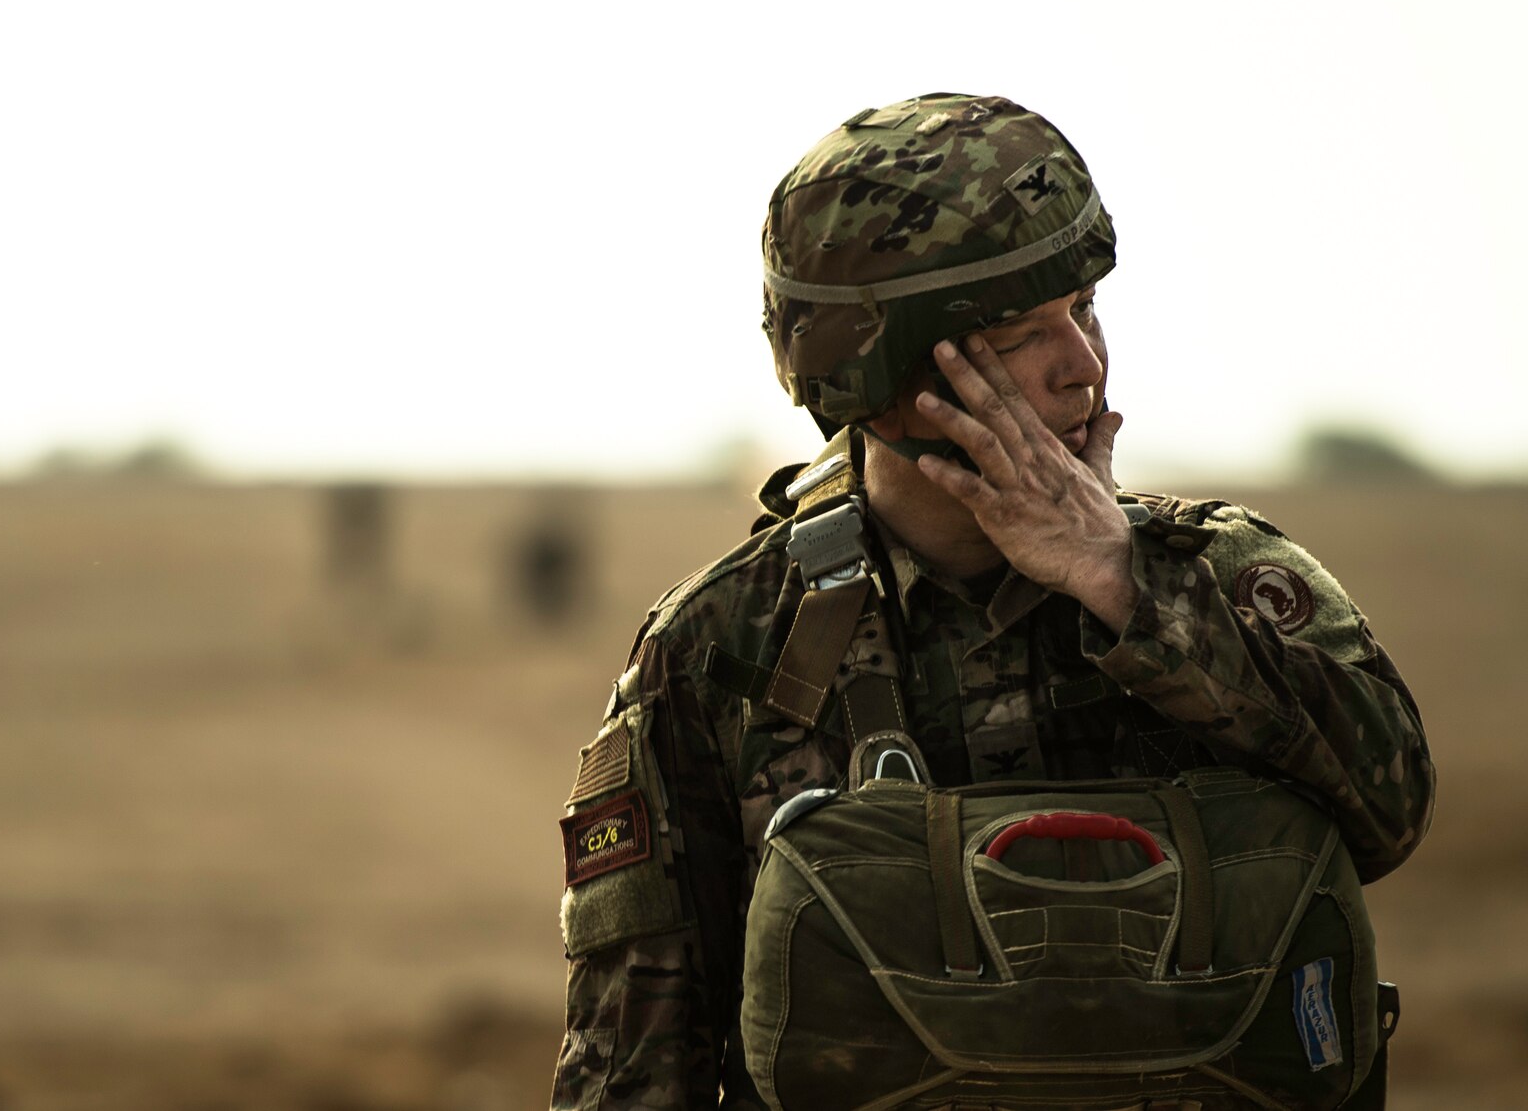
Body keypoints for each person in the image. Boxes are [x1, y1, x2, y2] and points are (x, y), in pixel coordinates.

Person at [548, 94, 1434, 1109]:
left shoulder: (1219, 575)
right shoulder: (721, 645)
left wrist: (1123, 585)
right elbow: (632, 1062)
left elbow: (1391, 811)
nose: (1083, 366)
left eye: (1085, 308)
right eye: (1021, 334)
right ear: (881, 376)